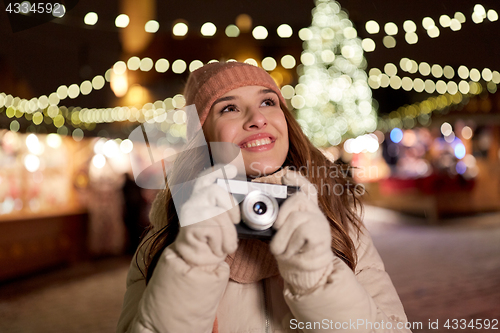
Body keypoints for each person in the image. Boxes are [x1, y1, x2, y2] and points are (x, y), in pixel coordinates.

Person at [116, 61, 412, 332]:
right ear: (201, 139)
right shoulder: (164, 241)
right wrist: (191, 263)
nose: (257, 118)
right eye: (229, 108)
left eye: (268, 102)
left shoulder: (339, 225)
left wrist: (318, 276)